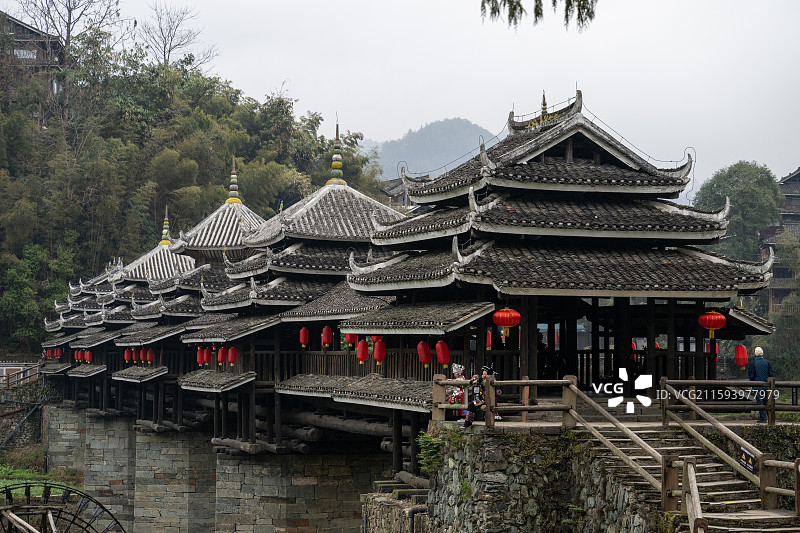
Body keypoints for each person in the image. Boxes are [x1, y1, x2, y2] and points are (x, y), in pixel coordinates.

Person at [748, 346, 774, 423]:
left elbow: (751, 375)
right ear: (762, 353)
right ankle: (769, 417)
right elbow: (771, 374)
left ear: (755, 354)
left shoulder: (753, 363)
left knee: (759, 402)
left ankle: (763, 418)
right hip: (766, 385)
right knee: (766, 401)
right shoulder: (767, 362)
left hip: (757, 386)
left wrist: (752, 382)